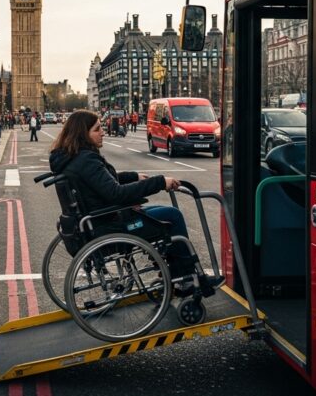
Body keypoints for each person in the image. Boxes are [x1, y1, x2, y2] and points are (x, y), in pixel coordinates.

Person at [47, 110, 218, 291]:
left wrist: (134, 176)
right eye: (97, 129)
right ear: (83, 134)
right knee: (172, 216)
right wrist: (159, 182)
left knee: (161, 211)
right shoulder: (86, 160)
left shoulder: (72, 158)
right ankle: (186, 278)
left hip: (100, 221)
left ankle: (174, 272)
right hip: (110, 225)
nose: (103, 132)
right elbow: (116, 193)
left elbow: (101, 183)